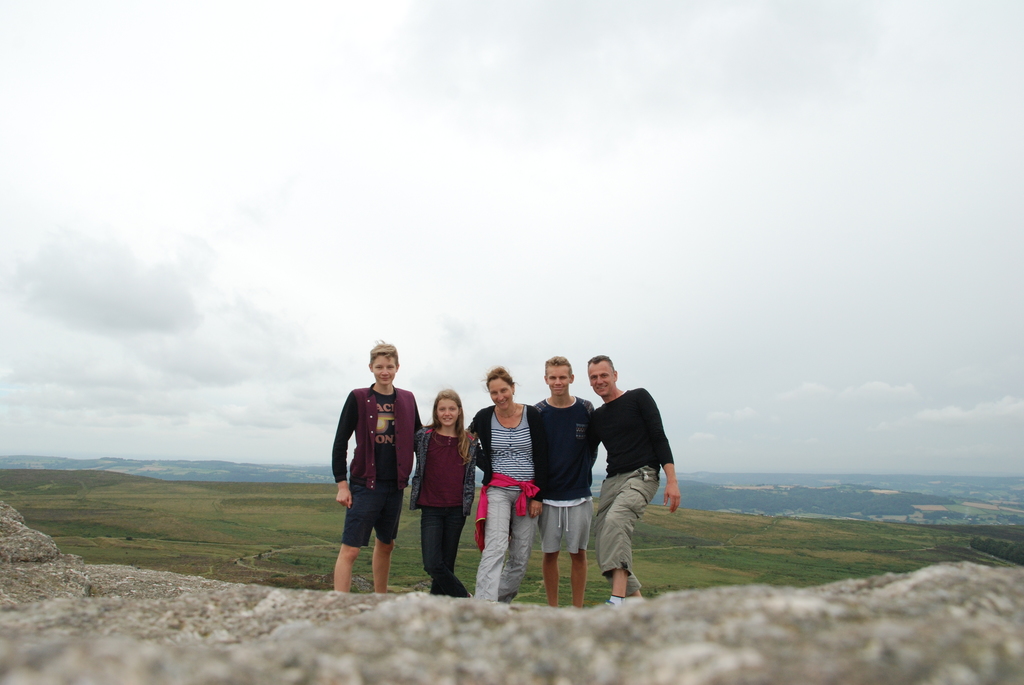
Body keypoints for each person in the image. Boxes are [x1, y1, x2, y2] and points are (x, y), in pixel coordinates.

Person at [586, 355, 680, 605]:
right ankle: (638, 605)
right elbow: (581, 449)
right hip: (613, 481)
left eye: (604, 375)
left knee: (617, 523)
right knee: (604, 541)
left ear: (615, 375)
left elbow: (659, 436)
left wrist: (672, 480)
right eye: (594, 377)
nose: (599, 381)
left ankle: (617, 601)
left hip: (643, 474)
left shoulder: (638, 397)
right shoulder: (598, 416)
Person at [331, 341, 422, 593]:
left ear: (397, 367)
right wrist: (342, 484)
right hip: (365, 484)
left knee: (386, 544)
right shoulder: (359, 397)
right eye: (380, 366)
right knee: (350, 550)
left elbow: (419, 438)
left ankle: (379, 599)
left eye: (389, 366)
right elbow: (341, 441)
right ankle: (340, 606)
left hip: (395, 485)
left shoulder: (407, 398)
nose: (385, 371)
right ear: (371, 367)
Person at [470, 366, 549, 602]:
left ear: (513, 388)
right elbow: (468, 441)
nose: (500, 396)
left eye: (503, 390)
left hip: (528, 493)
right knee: (495, 548)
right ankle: (484, 606)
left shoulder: (532, 415)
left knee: (520, 556)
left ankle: (500, 602)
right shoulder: (484, 417)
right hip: (498, 491)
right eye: (494, 393)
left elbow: (543, 455)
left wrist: (538, 497)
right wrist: (488, 467)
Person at [534, 356, 596, 608]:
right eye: (553, 377)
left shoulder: (586, 408)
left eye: (562, 377)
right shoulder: (538, 412)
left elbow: (592, 448)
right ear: (546, 379)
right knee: (549, 554)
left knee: (578, 554)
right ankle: (553, 610)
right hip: (548, 496)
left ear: (571, 378)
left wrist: (581, 473)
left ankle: (578, 610)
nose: (557, 382)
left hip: (580, 494)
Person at [409, 389, 478, 597]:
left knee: (447, 564)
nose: (447, 413)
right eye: (442, 409)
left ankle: (435, 609)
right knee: (432, 564)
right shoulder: (423, 437)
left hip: (456, 510)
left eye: (451, 408)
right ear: (436, 411)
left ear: (459, 411)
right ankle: (464, 597)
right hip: (431, 508)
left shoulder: (469, 441)